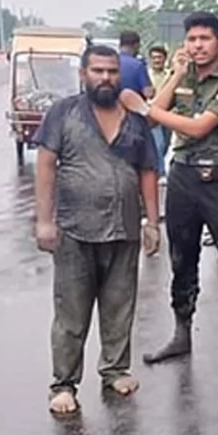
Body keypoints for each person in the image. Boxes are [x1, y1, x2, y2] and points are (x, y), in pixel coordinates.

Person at [119, 11, 218, 379]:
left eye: (205, 39)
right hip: (183, 174)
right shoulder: (184, 76)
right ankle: (182, 332)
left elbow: (198, 128)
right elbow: (154, 120)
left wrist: (147, 108)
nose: (198, 46)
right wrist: (176, 75)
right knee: (182, 258)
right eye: (192, 40)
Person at [34, 43, 162, 415]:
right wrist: (44, 220)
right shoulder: (63, 113)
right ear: (83, 74)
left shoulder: (135, 119)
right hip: (74, 229)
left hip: (123, 228)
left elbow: (148, 172)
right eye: (98, 71)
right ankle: (63, 384)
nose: (105, 78)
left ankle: (115, 370)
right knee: (71, 312)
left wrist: (152, 223)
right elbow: (45, 166)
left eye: (111, 72)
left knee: (120, 306)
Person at [146, 44, 173, 180]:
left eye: (159, 58)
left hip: (168, 114)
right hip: (152, 113)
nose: (157, 60)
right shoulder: (145, 74)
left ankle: (158, 166)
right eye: (154, 58)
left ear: (164, 59)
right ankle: (160, 172)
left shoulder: (170, 75)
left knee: (166, 143)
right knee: (158, 143)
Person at [117, 31, 154, 99]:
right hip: (133, 106)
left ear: (119, 45)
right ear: (136, 45)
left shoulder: (110, 62)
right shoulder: (138, 65)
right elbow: (148, 93)